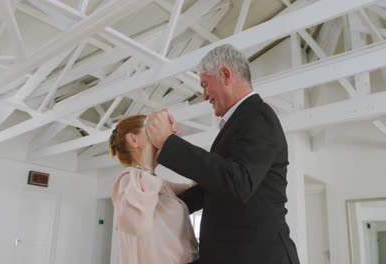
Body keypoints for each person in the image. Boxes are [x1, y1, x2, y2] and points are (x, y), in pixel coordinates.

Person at [145, 44, 300, 264]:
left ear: (226, 75)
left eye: (205, 85)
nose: (204, 95)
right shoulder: (240, 122)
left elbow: (239, 182)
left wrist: (170, 143)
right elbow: (215, 190)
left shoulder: (257, 116)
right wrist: (155, 203)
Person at [108, 114, 199, 264]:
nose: (159, 133)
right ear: (133, 140)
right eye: (152, 128)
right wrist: (146, 163)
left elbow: (193, 186)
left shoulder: (158, 183)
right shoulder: (128, 179)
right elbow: (136, 223)